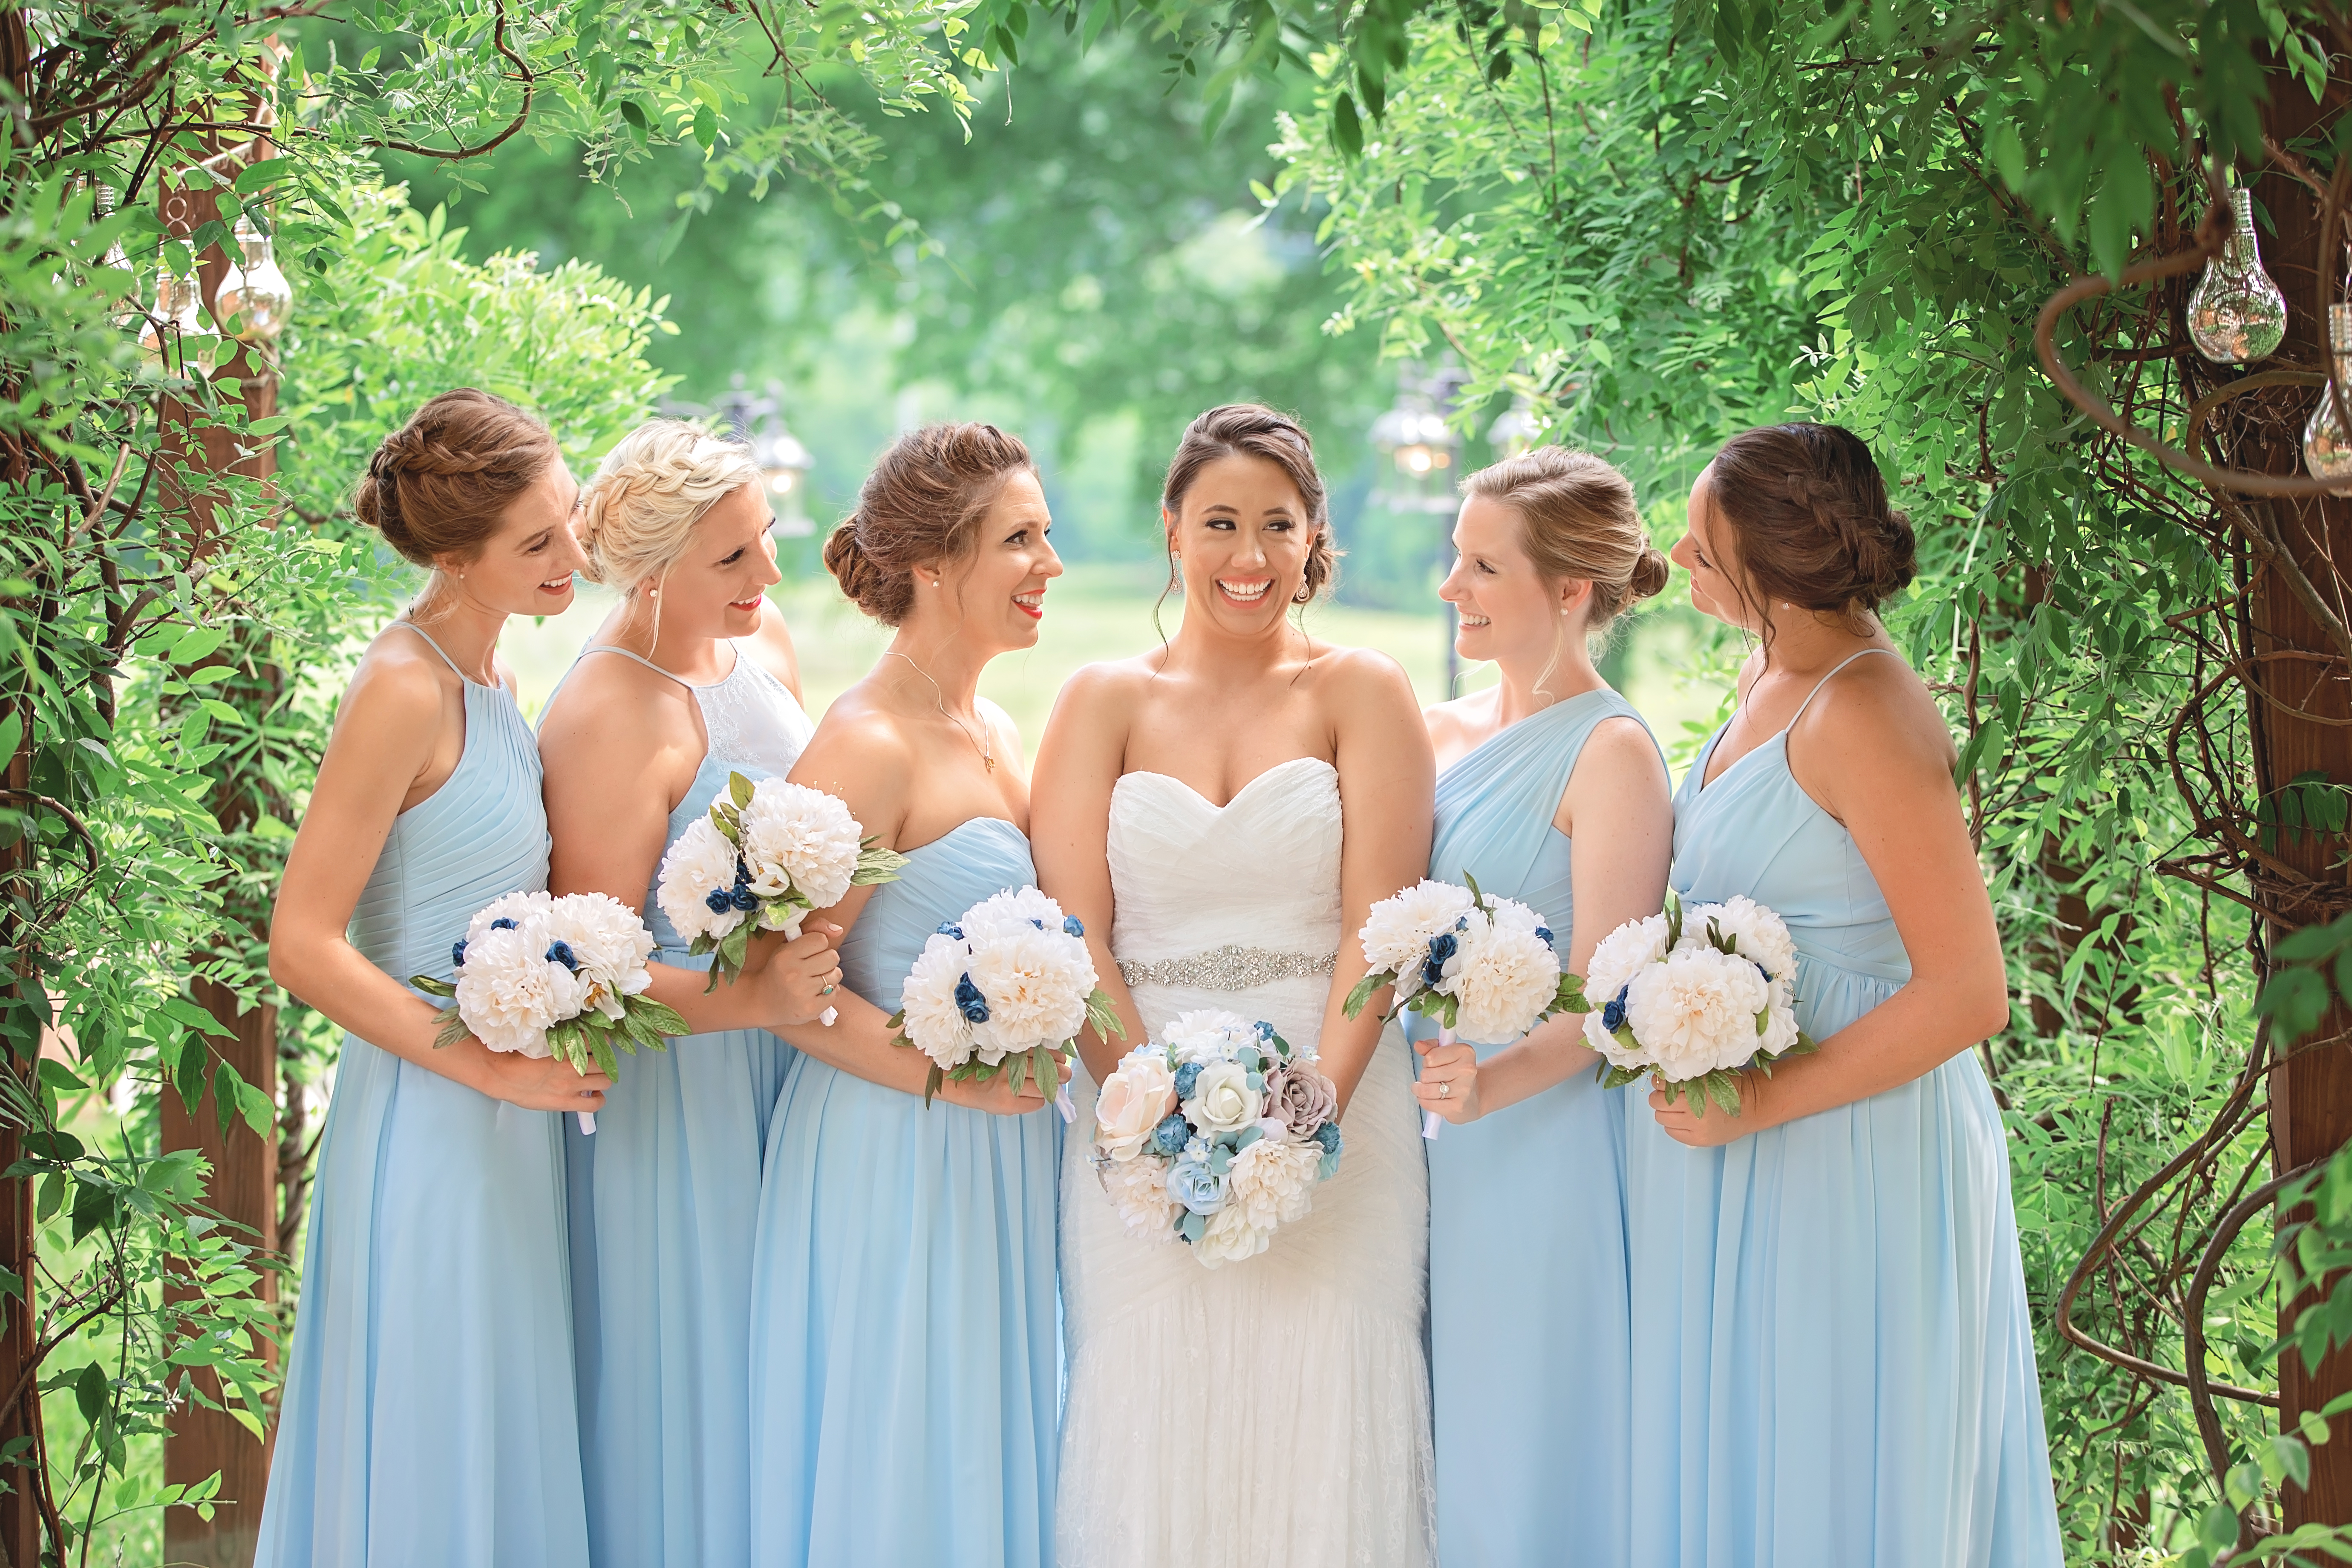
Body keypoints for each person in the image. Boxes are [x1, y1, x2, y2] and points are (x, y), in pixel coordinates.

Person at [1627, 422, 2063, 1566]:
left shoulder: (1864, 711)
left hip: (1857, 1146)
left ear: (1771, 566)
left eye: (1701, 539)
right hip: (1760, 1140)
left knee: (1841, 1466)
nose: (1677, 555)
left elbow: (1972, 992)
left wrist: (1767, 1101)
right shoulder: (1772, 666)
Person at [1035, 403, 1438, 1567]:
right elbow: (1075, 934)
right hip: (1131, 1127)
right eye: (1219, 523)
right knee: (1150, 1397)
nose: (1248, 557)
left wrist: (1305, 1120)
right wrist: (1150, 1120)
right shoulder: (1099, 700)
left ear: (1316, 539)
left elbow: (1381, 934)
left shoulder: (1360, 690)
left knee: (1329, 1410)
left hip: (1341, 1114)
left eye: (1278, 526)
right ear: (1173, 530)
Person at [254, 389, 606, 1567]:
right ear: (456, 558)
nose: (575, 554)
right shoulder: (406, 686)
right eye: (539, 544)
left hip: (510, 1116)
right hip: (435, 1117)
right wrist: (487, 1070)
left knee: (499, 1429)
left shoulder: (493, 682)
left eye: (568, 518)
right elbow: (301, 941)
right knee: (434, 1430)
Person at [747, 423, 1066, 1568]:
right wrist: (954, 1081)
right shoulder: (866, 743)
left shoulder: (996, 726)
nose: (1052, 564)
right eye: (1021, 539)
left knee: (998, 1439)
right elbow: (779, 987)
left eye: (1047, 534)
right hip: (900, 1150)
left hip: (1009, 1152)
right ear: (934, 564)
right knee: (915, 1450)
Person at [537, 421, 844, 1568]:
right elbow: (593, 973)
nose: (768, 577)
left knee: (786, 1372)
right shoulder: (610, 713)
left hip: (791, 1070)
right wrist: (752, 1002)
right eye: (733, 560)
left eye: (765, 543)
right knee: (700, 1381)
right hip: (683, 1104)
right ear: (653, 571)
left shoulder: (763, 649)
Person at [1412, 446, 1672, 1565]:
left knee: (1519, 1444)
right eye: (1454, 558)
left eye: (1481, 565)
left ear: (1570, 591)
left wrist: (1490, 1086)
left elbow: (1615, 999)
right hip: (1418, 1130)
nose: (1450, 586)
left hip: (1537, 1144)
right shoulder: (1435, 729)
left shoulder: (1612, 755)